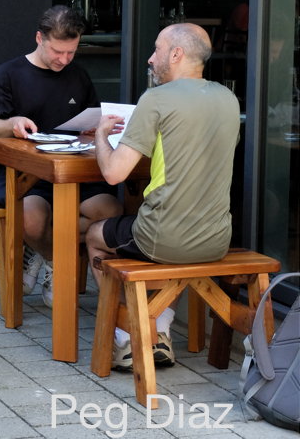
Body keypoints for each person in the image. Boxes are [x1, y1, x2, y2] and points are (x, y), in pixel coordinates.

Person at [86, 23, 239, 370]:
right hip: (217, 239)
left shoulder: (155, 99)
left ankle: (129, 338)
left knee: (95, 235)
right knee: (173, 250)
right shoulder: (228, 99)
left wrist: (100, 136)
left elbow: (113, 174)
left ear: (176, 54)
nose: (151, 58)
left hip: (164, 237)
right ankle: (162, 329)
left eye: (157, 50)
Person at [0, 5, 120, 306]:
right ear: (39, 38)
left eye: (71, 52)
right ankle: (55, 260)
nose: (64, 60)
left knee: (111, 212)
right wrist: (13, 123)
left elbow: (92, 120)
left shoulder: (78, 76)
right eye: (58, 51)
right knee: (30, 218)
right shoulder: (8, 74)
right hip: (26, 176)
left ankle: (41, 250)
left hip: (75, 173)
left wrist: (95, 130)